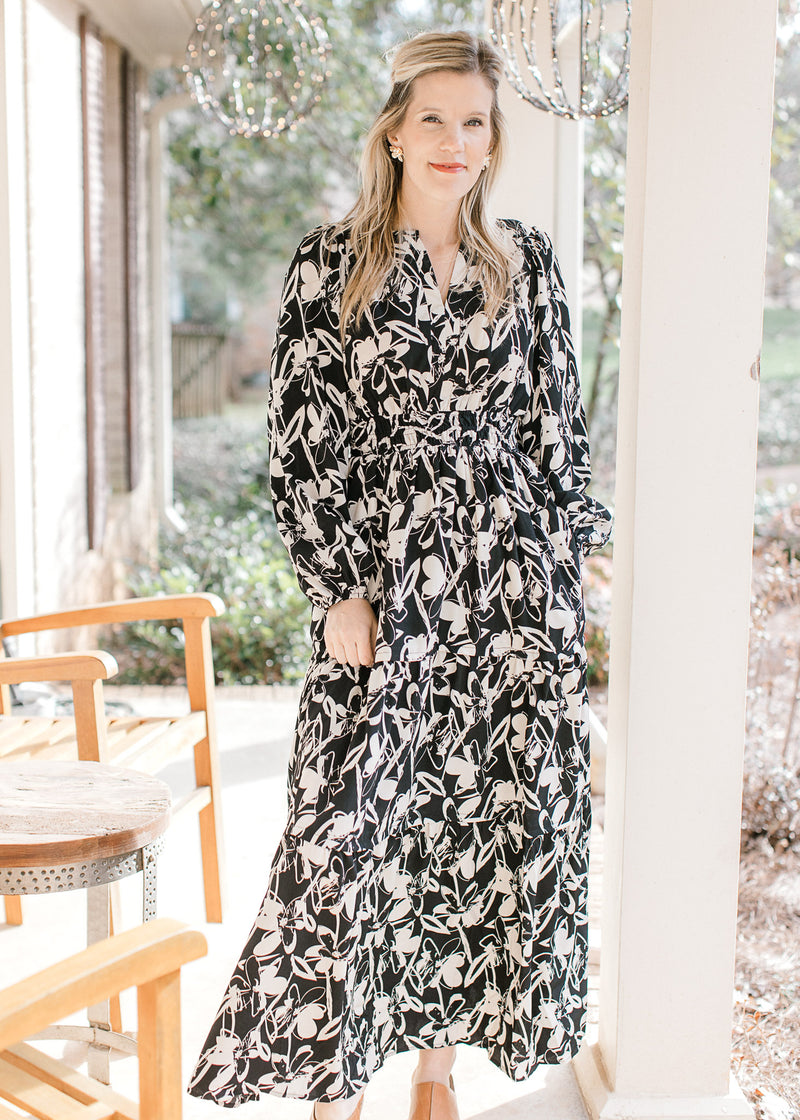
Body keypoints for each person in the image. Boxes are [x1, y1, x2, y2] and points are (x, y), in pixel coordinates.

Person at [187, 28, 612, 1120]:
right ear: (392, 127)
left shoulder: (526, 266)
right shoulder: (330, 264)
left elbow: (555, 434)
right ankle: (337, 1077)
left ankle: (436, 1074)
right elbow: (300, 439)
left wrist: (580, 565)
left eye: (474, 122)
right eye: (434, 117)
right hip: (386, 590)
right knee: (351, 826)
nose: (454, 142)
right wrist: (333, 589)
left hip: (508, 600)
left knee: (481, 831)